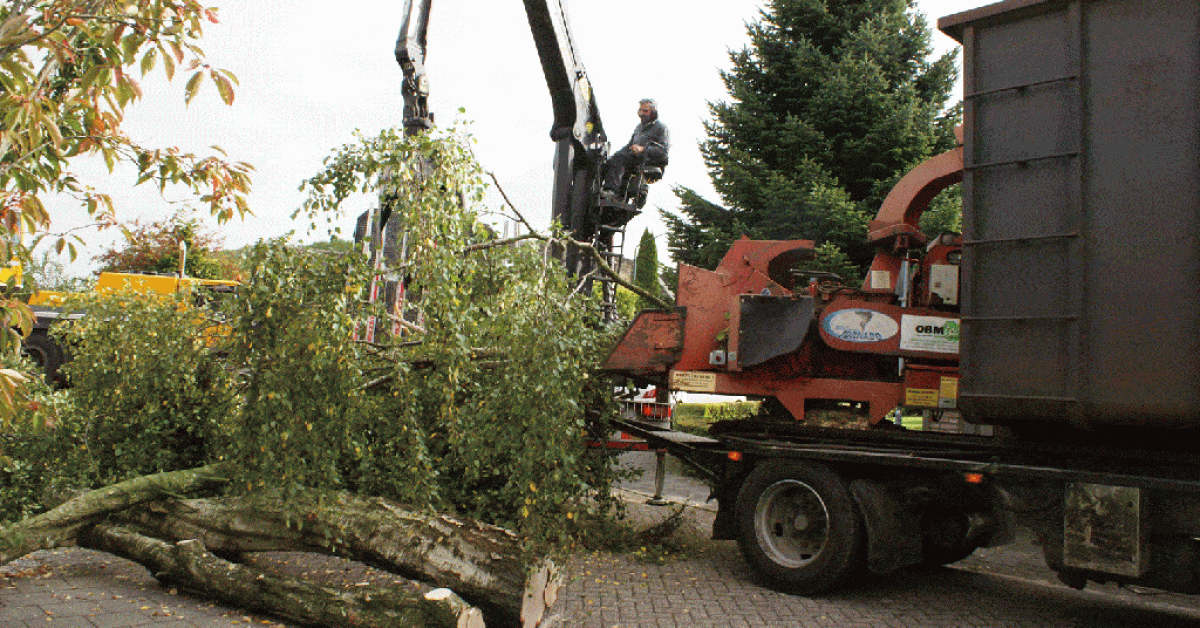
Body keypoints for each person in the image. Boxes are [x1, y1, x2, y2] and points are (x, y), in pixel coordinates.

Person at [601, 98, 670, 197]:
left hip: (649, 159)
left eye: (645, 111)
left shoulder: (661, 128)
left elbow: (663, 151)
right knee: (610, 161)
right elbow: (629, 146)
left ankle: (611, 191)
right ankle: (603, 192)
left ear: (653, 112)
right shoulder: (638, 128)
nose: (642, 113)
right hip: (633, 158)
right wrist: (613, 156)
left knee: (620, 159)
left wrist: (643, 149)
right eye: (640, 110)